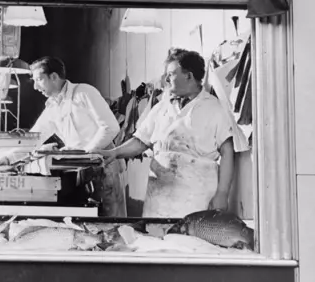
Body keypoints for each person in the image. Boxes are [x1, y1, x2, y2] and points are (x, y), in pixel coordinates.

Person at [99, 48, 247, 218]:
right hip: (158, 199)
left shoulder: (215, 108)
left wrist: (222, 193)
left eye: (171, 74)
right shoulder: (162, 106)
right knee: (157, 242)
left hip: (196, 199)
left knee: (190, 242)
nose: (166, 79)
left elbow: (227, 152)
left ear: (189, 75)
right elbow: (141, 141)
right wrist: (114, 152)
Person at [0, 57, 126, 218]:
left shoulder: (84, 92)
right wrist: (8, 158)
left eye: (39, 79)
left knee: (113, 221)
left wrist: (85, 155)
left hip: (105, 165)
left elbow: (110, 127)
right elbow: (35, 139)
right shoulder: (52, 107)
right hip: (82, 169)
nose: (35, 86)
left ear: (54, 77)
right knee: (92, 223)